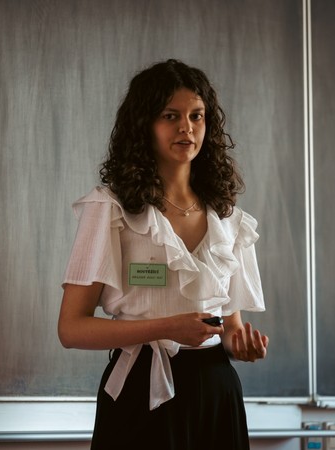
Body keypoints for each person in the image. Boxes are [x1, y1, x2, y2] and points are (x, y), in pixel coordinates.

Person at [58, 59, 269, 450]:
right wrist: (166, 328)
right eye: (171, 116)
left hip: (217, 392)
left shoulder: (228, 218)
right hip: (141, 390)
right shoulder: (110, 209)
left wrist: (241, 345)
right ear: (145, 125)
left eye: (196, 116)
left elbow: (229, 329)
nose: (186, 127)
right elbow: (71, 329)